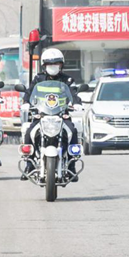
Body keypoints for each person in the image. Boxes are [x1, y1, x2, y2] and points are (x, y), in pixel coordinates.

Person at [21, 48, 80, 181]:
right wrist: (26, 103)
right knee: (29, 132)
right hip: (42, 115)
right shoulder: (38, 79)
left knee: (72, 131)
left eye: (56, 63)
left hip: (61, 116)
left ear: (61, 65)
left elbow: (74, 94)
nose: (53, 66)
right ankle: (29, 165)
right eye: (49, 64)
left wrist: (76, 104)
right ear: (44, 65)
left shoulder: (67, 80)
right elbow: (29, 93)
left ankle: (71, 166)